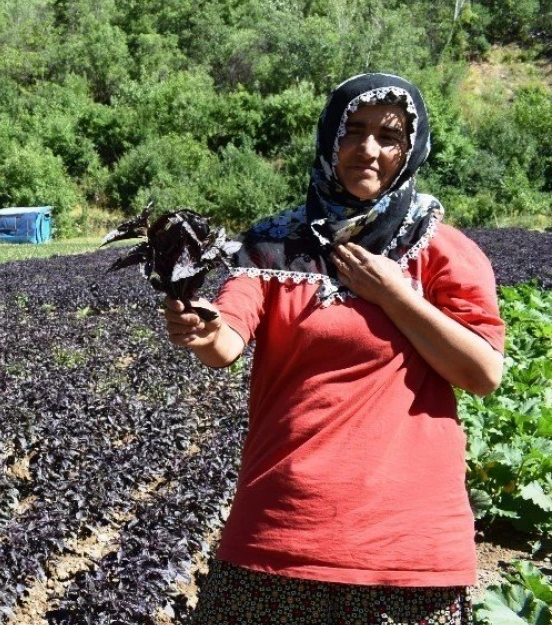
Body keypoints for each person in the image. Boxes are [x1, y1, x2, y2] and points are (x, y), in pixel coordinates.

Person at [163, 73, 506, 624]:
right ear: (329, 138)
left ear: (411, 149)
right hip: (280, 531)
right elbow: (225, 339)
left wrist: (394, 294)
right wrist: (201, 327)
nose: (368, 149)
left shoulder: (441, 250)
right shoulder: (273, 243)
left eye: (389, 136)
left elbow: (483, 372)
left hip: (405, 549)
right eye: (354, 131)